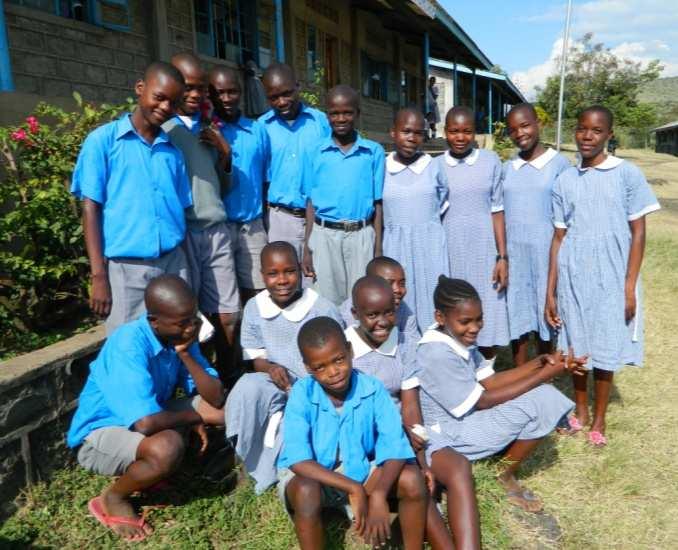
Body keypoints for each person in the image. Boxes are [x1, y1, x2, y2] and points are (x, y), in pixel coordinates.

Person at [66, 275, 226, 542]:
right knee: (167, 447)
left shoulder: (180, 333)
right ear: (155, 321)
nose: (192, 327)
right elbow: (146, 424)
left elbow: (216, 396)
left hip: (150, 414)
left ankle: (155, 472)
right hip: (100, 435)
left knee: (226, 410)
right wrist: (193, 417)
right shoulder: (128, 344)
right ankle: (113, 498)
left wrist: (186, 354)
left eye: (194, 318)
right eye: (183, 322)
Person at [417, 276, 584, 513]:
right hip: (448, 437)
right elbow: (484, 400)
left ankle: (502, 463)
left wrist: (540, 363)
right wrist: (544, 375)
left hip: (465, 421)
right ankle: (504, 474)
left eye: (479, 319)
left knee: (541, 394)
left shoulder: (452, 335)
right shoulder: (436, 353)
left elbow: (491, 381)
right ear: (440, 317)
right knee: (545, 399)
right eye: (466, 321)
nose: (474, 328)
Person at [546, 105, 660, 446]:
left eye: (596, 131)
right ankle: (580, 412)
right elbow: (559, 237)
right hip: (573, 273)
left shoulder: (627, 174)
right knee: (576, 342)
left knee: (607, 343)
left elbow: (638, 233)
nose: (587, 136)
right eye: (582, 129)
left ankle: (599, 418)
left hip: (612, 273)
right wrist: (550, 292)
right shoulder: (564, 180)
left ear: (608, 135)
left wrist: (629, 286)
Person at [346, 276, 479, 549]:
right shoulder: (344, 350)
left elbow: (410, 405)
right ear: (354, 314)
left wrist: (422, 459)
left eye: (389, 312)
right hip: (367, 441)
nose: (382, 321)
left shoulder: (405, 344)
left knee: (458, 467)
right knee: (415, 483)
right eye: (372, 315)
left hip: (406, 433)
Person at [279, 316, 428, 549]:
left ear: (349, 351)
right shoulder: (301, 394)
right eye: (320, 367)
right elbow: (299, 461)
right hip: (317, 478)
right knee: (307, 490)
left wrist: (378, 495)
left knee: (412, 479)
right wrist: (353, 488)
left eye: (338, 360)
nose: (333, 372)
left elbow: (395, 446)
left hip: (359, 470)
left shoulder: (372, 388)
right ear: (308, 368)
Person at [71, 62, 191, 334]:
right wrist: (99, 275)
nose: (164, 107)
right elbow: (90, 209)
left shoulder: (173, 151)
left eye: (173, 103)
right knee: (129, 347)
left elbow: (180, 210)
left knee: (177, 345)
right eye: (158, 97)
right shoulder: (103, 142)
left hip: (173, 263)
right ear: (140, 89)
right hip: (127, 271)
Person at [225, 241, 343, 493]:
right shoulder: (255, 307)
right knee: (247, 385)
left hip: (316, 390)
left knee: (299, 433)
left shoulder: (321, 309)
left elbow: (340, 360)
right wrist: (269, 368)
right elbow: (255, 357)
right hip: (277, 385)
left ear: (301, 271)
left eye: (289, 271)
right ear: (262, 276)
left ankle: (285, 466)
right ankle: (240, 454)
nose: (282, 280)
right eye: (273, 273)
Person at [162, 53, 240, 382]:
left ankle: (228, 377)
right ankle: (193, 385)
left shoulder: (209, 131)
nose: (195, 95)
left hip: (216, 230)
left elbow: (223, 186)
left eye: (200, 89)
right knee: (188, 318)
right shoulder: (164, 129)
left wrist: (224, 153)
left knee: (228, 313)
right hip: (183, 235)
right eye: (188, 87)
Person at [435, 106, 510, 358]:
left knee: (486, 306)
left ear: (475, 134)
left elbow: (497, 210)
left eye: (467, 131)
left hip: (484, 249)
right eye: (454, 131)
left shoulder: (490, 161)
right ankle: (458, 366)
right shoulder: (435, 166)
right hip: (451, 250)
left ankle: (487, 368)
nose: (460, 137)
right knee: (455, 310)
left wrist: (502, 256)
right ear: (445, 132)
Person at [302, 85, 385, 305]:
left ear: (357, 114)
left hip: (361, 235)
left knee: (362, 300)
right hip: (325, 234)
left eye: (347, 112)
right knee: (327, 301)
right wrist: (307, 247)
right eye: (334, 113)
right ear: (326, 115)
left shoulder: (372, 152)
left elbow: (377, 204)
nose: (341, 118)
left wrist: (377, 247)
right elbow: (310, 202)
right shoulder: (315, 152)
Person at [502, 103, 571, 366]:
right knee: (517, 313)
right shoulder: (508, 168)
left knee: (546, 314)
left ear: (538, 123)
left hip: (546, 252)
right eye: (513, 130)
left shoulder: (559, 165)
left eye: (525, 125)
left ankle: (544, 374)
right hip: (515, 254)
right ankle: (521, 373)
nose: (520, 133)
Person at [382, 107, 450, 330]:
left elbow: (442, 201)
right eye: (406, 131)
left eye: (418, 133)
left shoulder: (433, 167)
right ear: (393, 132)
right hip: (395, 247)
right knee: (398, 302)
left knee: (432, 298)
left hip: (428, 247)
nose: (412, 138)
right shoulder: (382, 167)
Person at [209, 66, 270, 306]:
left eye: (231, 92)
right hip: (219, 228)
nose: (225, 99)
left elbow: (266, 178)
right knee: (222, 299)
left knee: (257, 294)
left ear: (241, 92)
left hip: (252, 227)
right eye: (219, 92)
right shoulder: (205, 132)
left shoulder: (257, 130)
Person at [259, 63, 331, 257]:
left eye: (287, 93)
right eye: (273, 97)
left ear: (298, 87)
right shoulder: (262, 127)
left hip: (318, 218)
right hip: (281, 219)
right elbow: (262, 178)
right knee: (285, 282)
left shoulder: (321, 122)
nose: (281, 102)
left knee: (315, 283)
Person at [340, 256, 420, 341]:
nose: (398, 290)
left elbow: (413, 343)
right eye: (389, 283)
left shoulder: (404, 310)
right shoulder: (346, 314)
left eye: (402, 284)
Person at [425, 76, 441, 140]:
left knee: (433, 122)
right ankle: (427, 136)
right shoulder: (426, 88)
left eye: (433, 81)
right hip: (427, 106)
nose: (432, 82)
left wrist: (430, 89)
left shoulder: (435, 88)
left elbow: (435, 97)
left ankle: (433, 135)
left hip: (433, 107)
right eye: (430, 80)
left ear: (434, 82)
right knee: (427, 122)